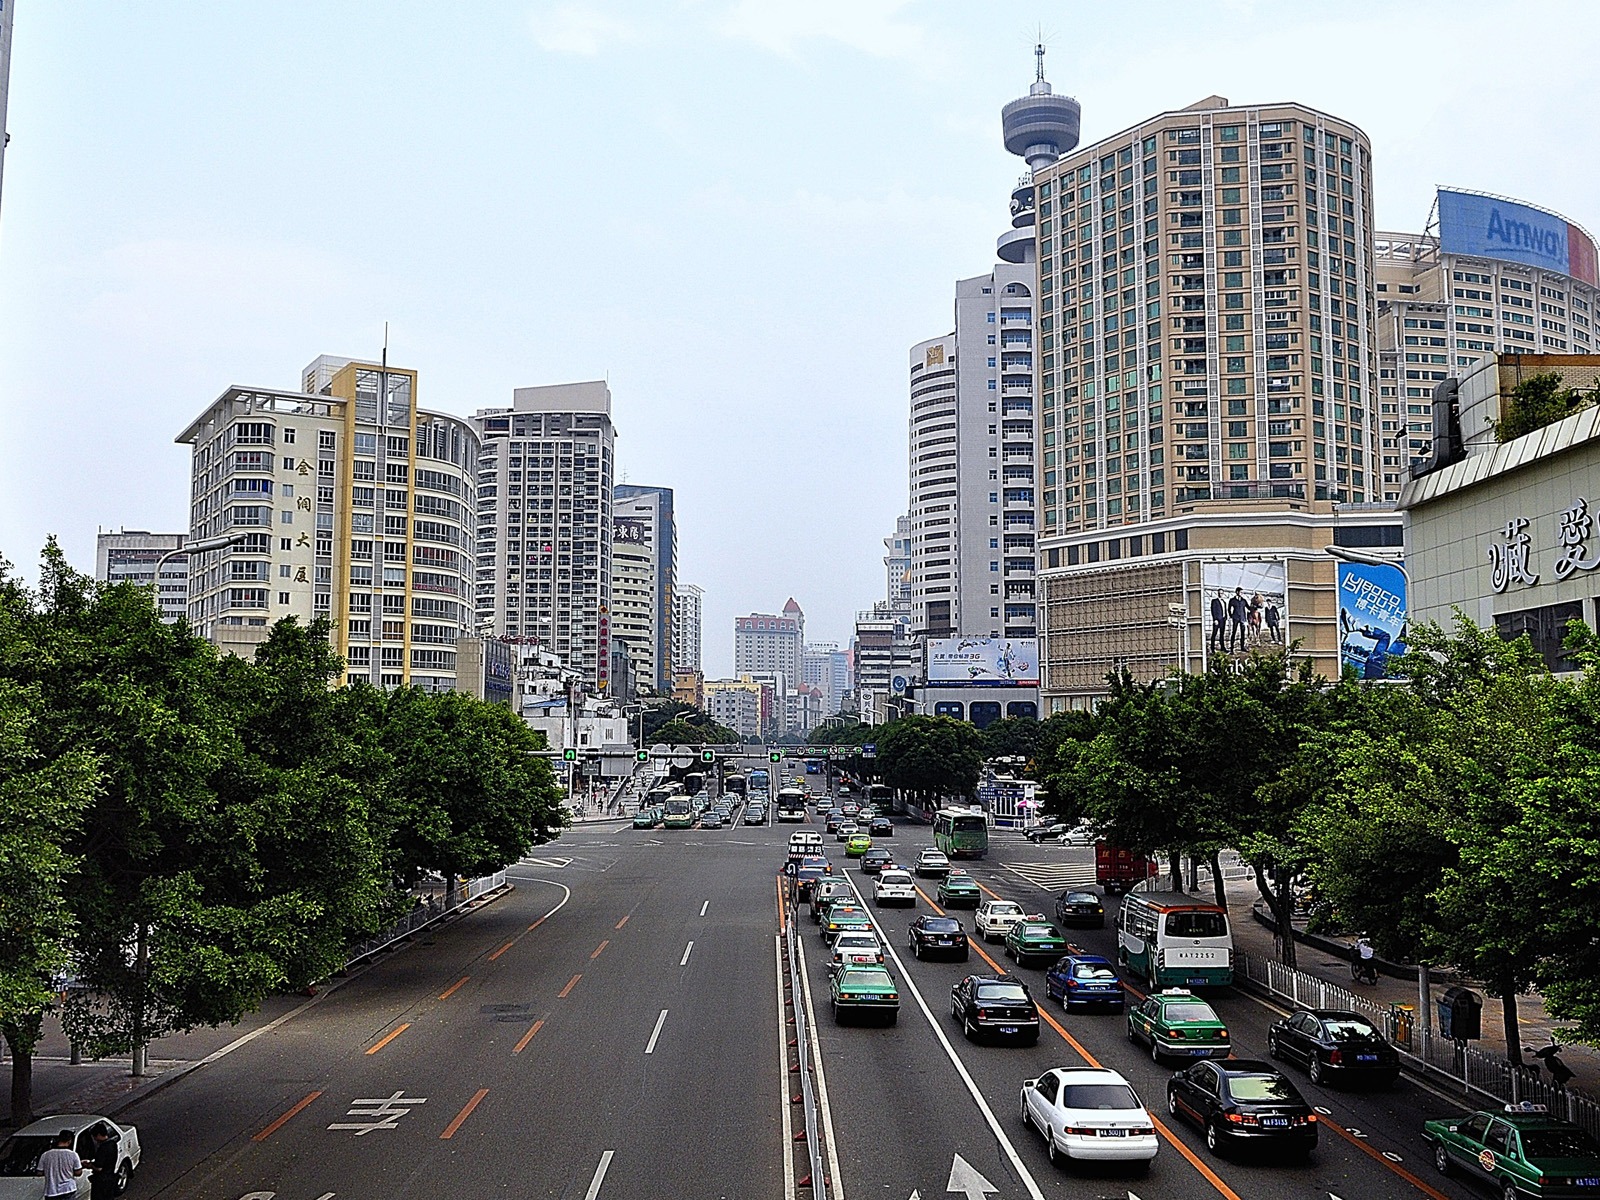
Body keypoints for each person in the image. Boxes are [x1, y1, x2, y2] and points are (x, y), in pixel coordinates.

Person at [39, 1130, 83, 1200]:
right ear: (70, 1141)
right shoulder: (73, 1155)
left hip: (51, 1191)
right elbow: (78, 1172)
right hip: (68, 1189)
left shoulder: (45, 1155)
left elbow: (39, 1172)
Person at [88, 1126, 120, 1199]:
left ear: (99, 1135)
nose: (95, 1139)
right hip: (110, 1178)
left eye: (94, 1137)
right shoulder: (112, 1144)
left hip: (101, 1182)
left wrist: (90, 1165)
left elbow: (99, 1168)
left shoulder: (102, 1148)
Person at [1227, 587, 1250, 653]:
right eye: (1241, 592)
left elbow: (1248, 608)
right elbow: (1229, 609)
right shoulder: (1232, 600)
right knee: (1234, 632)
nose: (1242, 593)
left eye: (1242, 592)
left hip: (1243, 619)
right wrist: (1231, 616)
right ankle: (1232, 648)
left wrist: (1255, 606)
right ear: (1237, 592)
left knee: (1243, 633)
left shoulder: (1244, 600)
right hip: (1235, 618)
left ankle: (1242, 647)